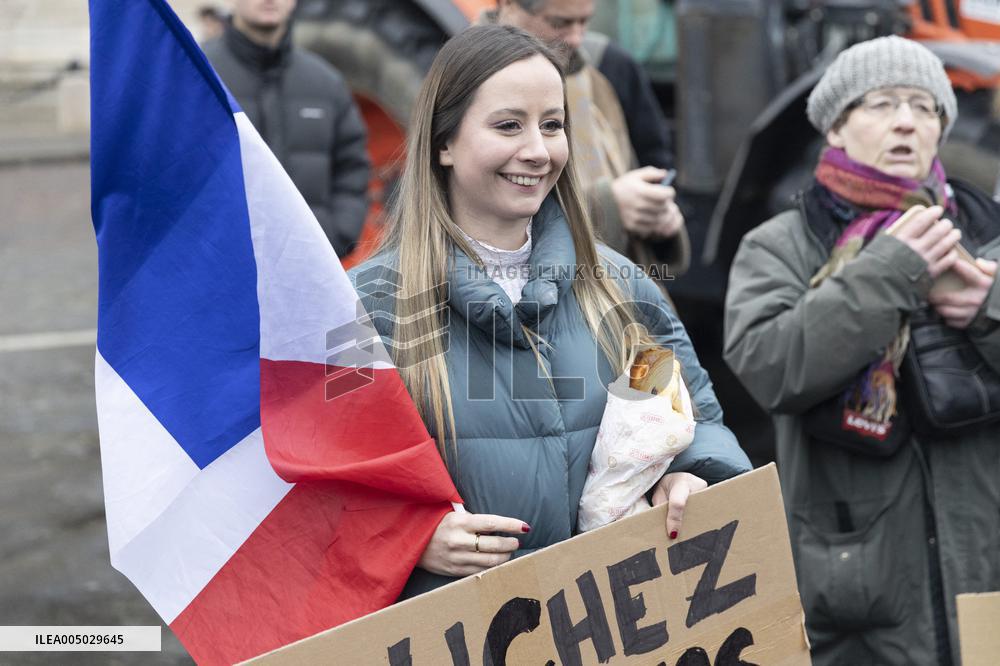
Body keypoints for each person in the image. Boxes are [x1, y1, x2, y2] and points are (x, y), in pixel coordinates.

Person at [349, 24, 751, 598]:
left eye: (553, 125)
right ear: (443, 142)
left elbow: (690, 416)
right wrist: (405, 538)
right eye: (508, 125)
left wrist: (691, 476)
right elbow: (320, 484)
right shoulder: (369, 307)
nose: (537, 151)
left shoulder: (616, 287)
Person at [724, 36, 1000, 665]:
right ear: (837, 129)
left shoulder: (987, 228)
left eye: (924, 106)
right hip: (861, 591)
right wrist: (892, 272)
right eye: (880, 104)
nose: (906, 120)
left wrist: (988, 306)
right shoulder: (781, 245)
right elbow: (773, 366)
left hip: (986, 569)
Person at [490, 0, 690, 278]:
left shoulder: (606, 68)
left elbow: (654, 162)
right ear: (509, 5)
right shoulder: (464, 76)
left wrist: (658, 216)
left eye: (584, 21)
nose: (576, 38)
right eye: (559, 23)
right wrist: (609, 206)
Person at [203, 0, 370, 257]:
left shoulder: (326, 83)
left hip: (307, 269)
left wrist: (336, 236)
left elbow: (352, 169)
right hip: (225, 269)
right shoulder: (201, 77)